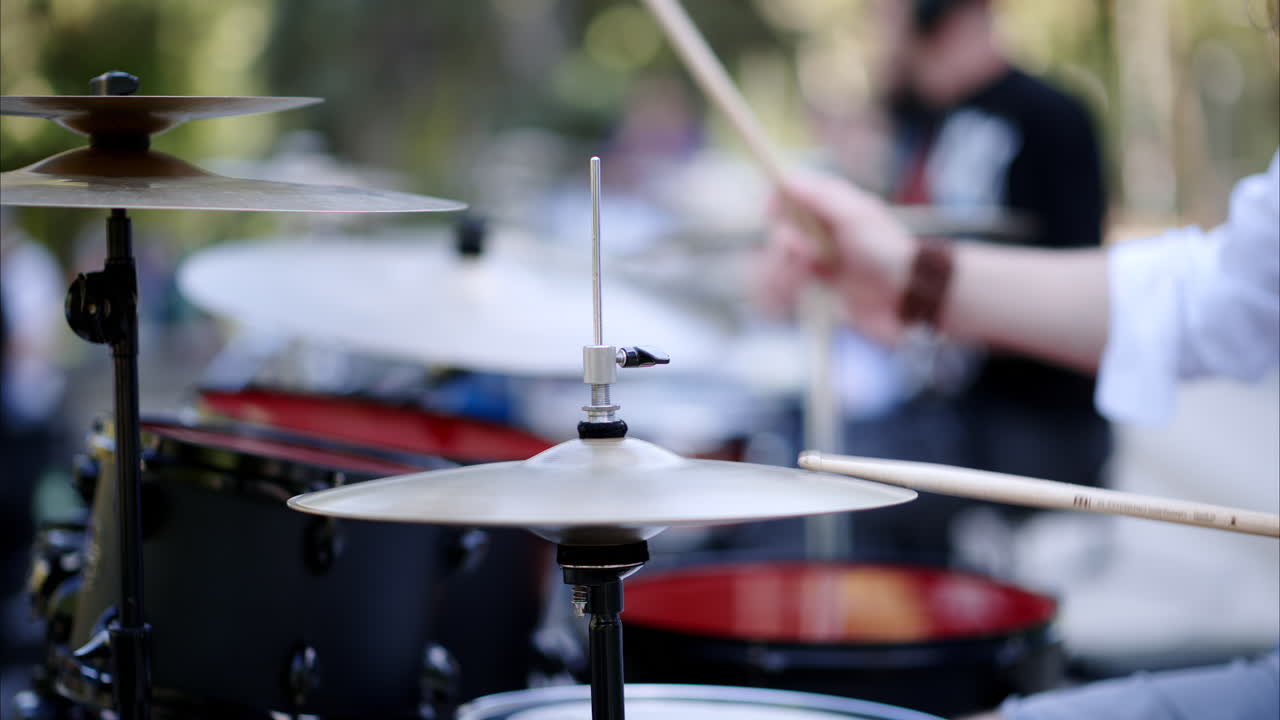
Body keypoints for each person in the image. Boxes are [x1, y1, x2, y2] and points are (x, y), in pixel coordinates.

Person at [759, 94, 1279, 720]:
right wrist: (907, 272)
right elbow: (1228, 293)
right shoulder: (942, 118)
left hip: (1039, 430)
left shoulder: (1052, 119)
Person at [826, 0, 1111, 565]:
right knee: (807, 451)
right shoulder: (927, 118)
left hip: (1034, 424)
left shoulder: (1051, 117)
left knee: (845, 498)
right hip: (947, 410)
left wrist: (922, 313)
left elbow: (1082, 297)